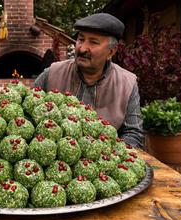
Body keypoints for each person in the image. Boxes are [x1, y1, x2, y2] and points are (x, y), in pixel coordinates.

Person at [33, 13, 144, 149]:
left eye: (93, 42)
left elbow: (133, 133)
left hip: (105, 164)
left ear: (111, 52)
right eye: (80, 40)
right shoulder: (52, 73)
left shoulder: (127, 83)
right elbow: (26, 108)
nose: (82, 48)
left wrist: (109, 156)